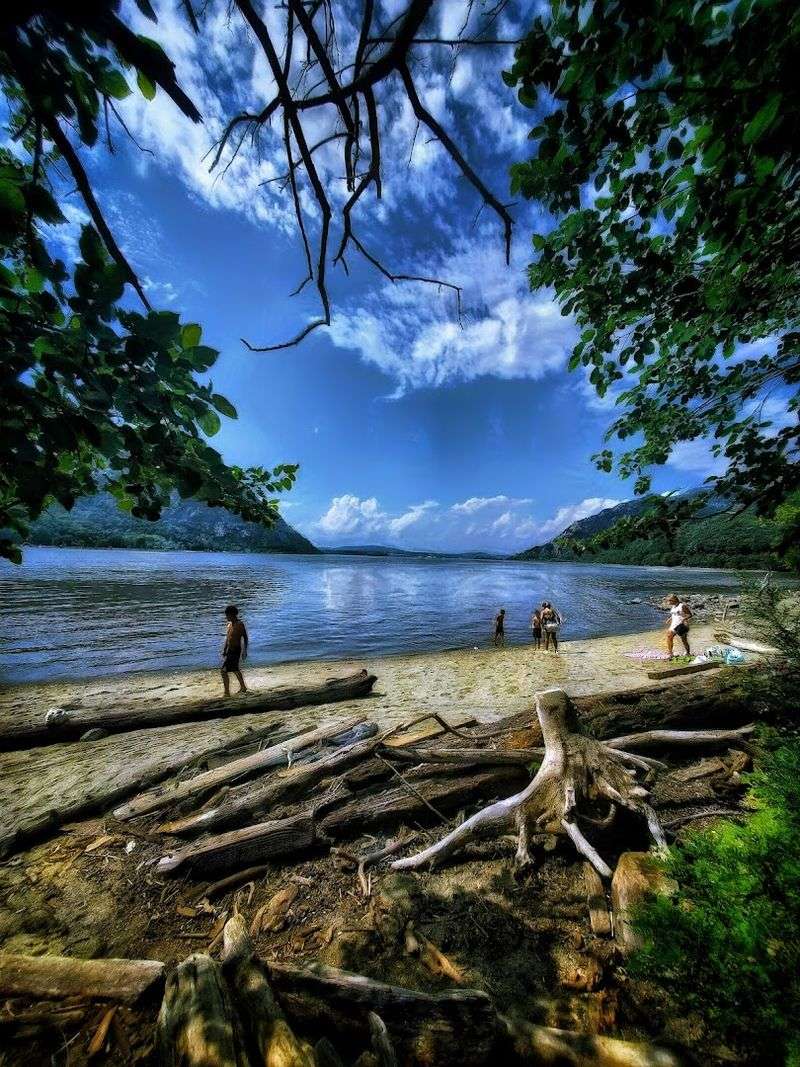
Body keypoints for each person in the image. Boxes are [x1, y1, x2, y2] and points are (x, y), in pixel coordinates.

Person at [221, 604, 249, 696]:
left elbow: (245, 637)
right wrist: (224, 649)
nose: (226, 617)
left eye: (227, 615)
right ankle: (243, 687)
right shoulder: (229, 625)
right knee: (235, 669)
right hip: (229, 651)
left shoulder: (239, 624)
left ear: (233, 614)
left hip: (236, 650)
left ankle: (227, 692)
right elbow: (227, 638)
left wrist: (245, 651)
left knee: (224, 671)